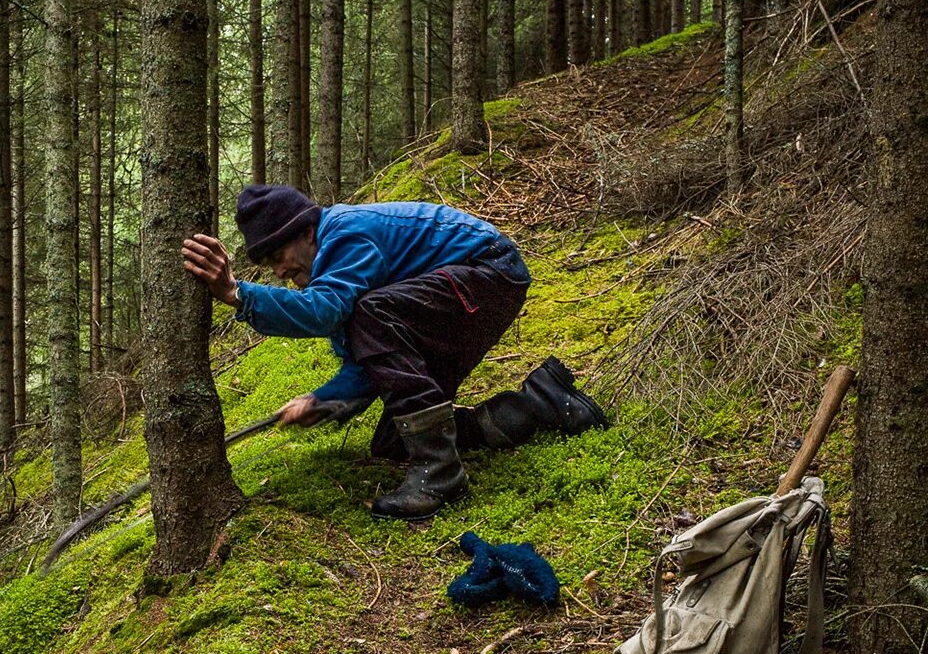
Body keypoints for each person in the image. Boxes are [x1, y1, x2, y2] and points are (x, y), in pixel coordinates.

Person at [180, 183, 608, 519]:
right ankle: (540, 404)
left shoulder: (346, 235)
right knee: (393, 440)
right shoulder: (336, 269)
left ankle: (439, 474)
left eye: (280, 254)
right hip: (462, 293)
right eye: (268, 263)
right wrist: (323, 400)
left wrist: (239, 294)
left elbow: (328, 312)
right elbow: (368, 360)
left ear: (307, 231)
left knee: (369, 312)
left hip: (489, 274)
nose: (279, 270)